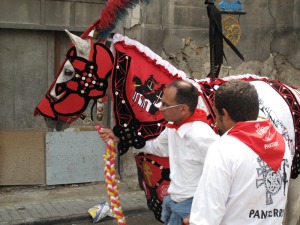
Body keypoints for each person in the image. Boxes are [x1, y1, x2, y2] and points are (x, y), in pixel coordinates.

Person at [99, 80, 219, 225]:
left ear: (183, 109)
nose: (161, 108)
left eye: (166, 105)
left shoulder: (200, 134)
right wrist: (121, 138)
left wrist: (203, 216)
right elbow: (157, 147)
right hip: (175, 202)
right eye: (162, 103)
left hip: (192, 208)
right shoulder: (172, 127)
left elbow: (225, 172)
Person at [183, 80, 292, 225]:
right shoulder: (281, 142)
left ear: (225, 114)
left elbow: (206, 217)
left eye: (216, 114)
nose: (215, 121)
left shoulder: (224, 149)